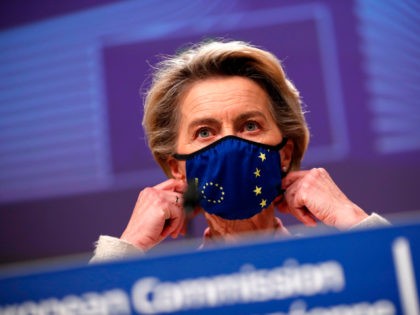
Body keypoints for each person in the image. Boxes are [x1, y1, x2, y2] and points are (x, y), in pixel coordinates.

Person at [90, 40, 389, 263]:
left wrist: (353, 220)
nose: (231, 146)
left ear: (284, 154)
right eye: (204, 132)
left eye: (250, 126)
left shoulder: (337, 272)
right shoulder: (158, 294)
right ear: (178, 168)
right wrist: (126, 249)